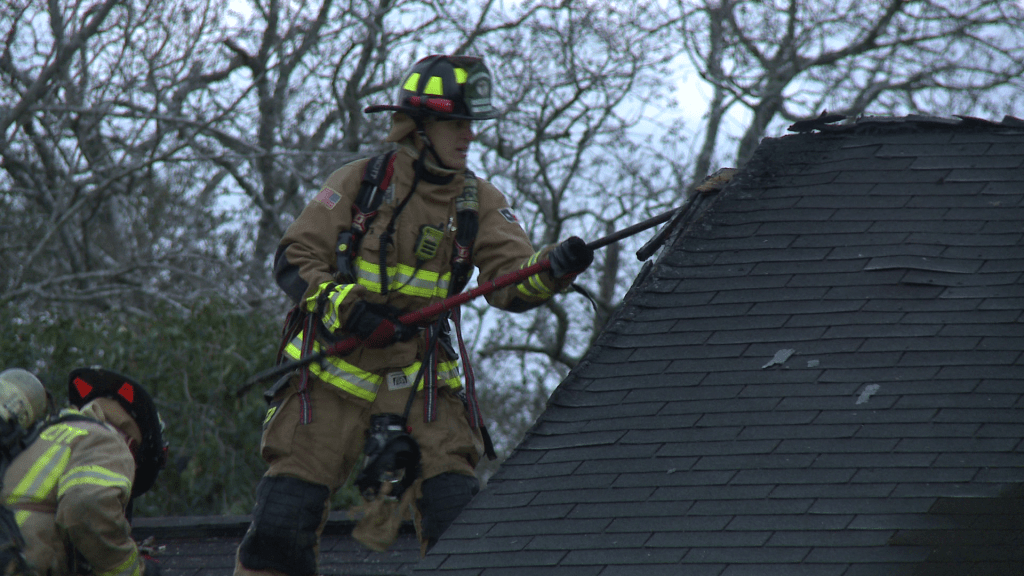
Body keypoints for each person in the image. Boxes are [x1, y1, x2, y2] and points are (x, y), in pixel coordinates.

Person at [235, 54, 594, 575]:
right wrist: (351, 311)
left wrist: (553, 267)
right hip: (331, 379)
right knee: (281, 527)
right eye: (456, 123)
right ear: (419, 128)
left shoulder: (480, 203)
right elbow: (295, 259)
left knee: (458, 523)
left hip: (422, 384)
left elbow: (509, 284)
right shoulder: (359, 183)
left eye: (471, 124)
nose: (469, 136)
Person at [0, 366, 168, 576]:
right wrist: (133, 571)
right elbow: (85, 505)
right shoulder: (106, 440)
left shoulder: (39, 437)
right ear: (132, 446)